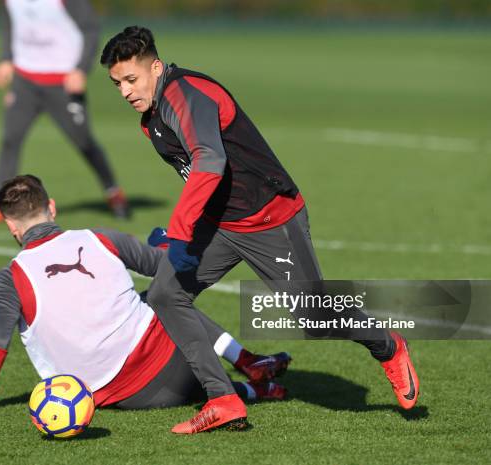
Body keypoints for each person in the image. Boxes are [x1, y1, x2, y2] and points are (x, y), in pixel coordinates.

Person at [99, 26, 420, 433]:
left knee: (314, 317)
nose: (126, 91)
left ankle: (387, 345)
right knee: (165, 293)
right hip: (221, 225)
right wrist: (188, 229)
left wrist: (181, 230)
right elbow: (197, 177)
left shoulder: (186, 93)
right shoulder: (152, 118)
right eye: (117, 84)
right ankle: (223, 400)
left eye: (132, 79)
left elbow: (210, 160)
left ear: (156, 68)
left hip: (271, 219)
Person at [0, 175, 290, 422]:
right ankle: (248, 366)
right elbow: (168, 268)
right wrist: (163, 242)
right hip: (178, 371)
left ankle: (253, 384)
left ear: (11, 227)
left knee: (156, 299)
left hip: (113, 398)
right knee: (161, 297)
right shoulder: (101, 238)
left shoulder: (8, 280)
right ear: (52, 207)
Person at [0, 0, 129, 222]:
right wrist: (6, 58)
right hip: (25, 81)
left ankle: (114, 193)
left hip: (63, 82)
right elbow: (11, 25)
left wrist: (81, 69)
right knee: (11, 139)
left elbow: (90, 29)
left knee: (84, 142)